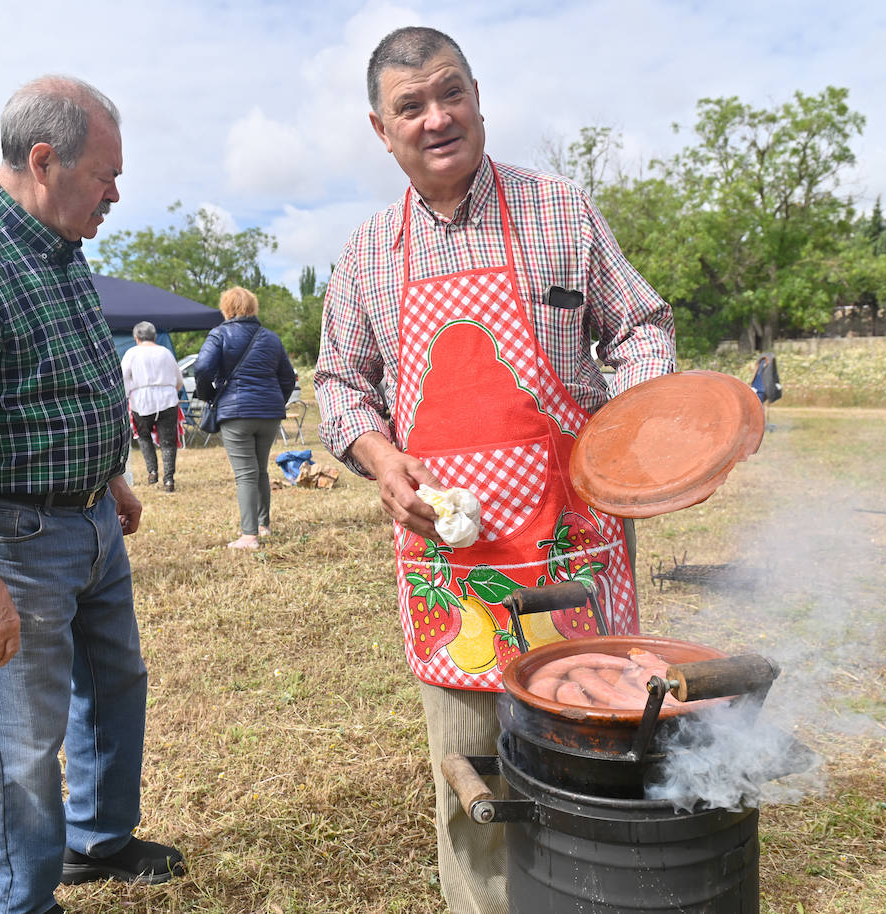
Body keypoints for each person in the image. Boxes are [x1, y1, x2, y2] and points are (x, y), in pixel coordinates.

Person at [314, 27, 676, 914]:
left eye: (451, 94)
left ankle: (605, 895)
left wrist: (622, 429)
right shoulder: (367, 255)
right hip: (454, 564)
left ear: (478, 95)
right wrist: (380, 457)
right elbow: (339, 386)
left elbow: (642, 327)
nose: (437, 119)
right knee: (475, 778)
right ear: (380, 128)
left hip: (571, 549)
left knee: (594, 750)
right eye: (411, 106)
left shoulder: (561, 208)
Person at [0, 75, 184, 914]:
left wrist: (113, 474)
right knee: (21, 742)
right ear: (45, 160)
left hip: (89, 516)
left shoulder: (57, 243)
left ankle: (100, 838)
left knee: (116, 681)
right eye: (106, 175)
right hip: (16, 543)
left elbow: (65, 379)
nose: (116, 194)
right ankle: (21, 900)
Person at [193, 287, 297, 550]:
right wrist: (275, 401)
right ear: (253, 307)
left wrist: (209, 395)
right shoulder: (271, 338)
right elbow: (287, 376)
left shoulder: (219, 334)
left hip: (236, 412)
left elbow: (203, 367)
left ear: (226, 309)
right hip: (269, 413)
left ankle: (249, 536)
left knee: (246, 475)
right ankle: (264, 526)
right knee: (260, 470)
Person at [121, 321, 185, 491]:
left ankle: (152, 472)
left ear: (136, 337)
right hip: (167, 399)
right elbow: (179, 380)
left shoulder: (132, 353)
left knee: (143, 436)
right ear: (154, 336)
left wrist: (127, 396)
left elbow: (124, 378)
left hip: (141, 400)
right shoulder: (165, 352)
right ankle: (169, 479)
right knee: (168, 441)